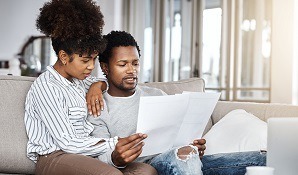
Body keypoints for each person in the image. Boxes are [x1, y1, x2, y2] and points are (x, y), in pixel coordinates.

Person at [87, 30, 266, 175]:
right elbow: (98, 156)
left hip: (183, 158)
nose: (131, 70)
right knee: (183, 157)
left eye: (135, 63)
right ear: (105, 67)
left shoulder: (157, 95)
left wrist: (194, 145)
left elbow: (180, 134)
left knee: (264, 159)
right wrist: (116, 157)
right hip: (154, 165)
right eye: (122, 64)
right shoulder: (99, 107)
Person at [24, 1, 157, 175]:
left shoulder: (81, 81)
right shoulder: (47, 87)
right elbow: (68, 142)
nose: (90, 66)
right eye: (85, 60)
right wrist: (113, 143)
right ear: (64, 56)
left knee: (147, 171)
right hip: (55, 157)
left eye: (94, 59)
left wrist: (97, 85)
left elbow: (109, 82)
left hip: (87, 154)